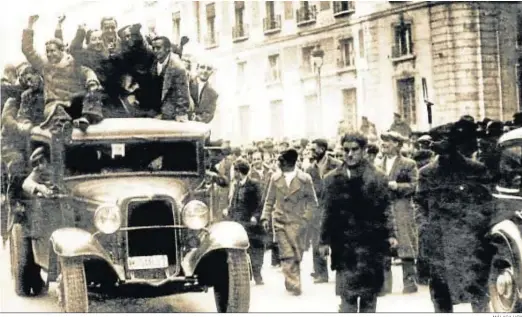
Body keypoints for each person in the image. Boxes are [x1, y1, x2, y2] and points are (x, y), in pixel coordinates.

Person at [415, 119, 494, 313]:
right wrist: (426, 229)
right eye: (433, 139)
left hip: (471, 244)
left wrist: (472, 229)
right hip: (439, 244)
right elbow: (420, 205)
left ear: (453, 141)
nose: (434, 144)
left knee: (477, 294)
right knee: (442, 296)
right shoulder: (427, 173)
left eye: (440, 139)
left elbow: (485, 205)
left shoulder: (475, 169)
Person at [318, 132, 394, 313]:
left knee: (369, 299)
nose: (349, 154)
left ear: (364, 150)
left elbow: (386, 210)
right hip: (344, 248)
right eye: (346, 150)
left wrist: (391, 235)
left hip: (371, 246)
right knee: (347, 299)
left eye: (354, 150)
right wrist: (323, 241)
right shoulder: (331, 179)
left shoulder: (378, 177)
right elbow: (327, 212)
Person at [22, 15, 103, 131]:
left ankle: (86, 118)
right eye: (47, 52)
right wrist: (29, 25)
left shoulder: (72, 63)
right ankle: (64, 125)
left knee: (93, 94)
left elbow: (86, 71)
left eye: (53, 51)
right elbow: (27, 49)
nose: (50, 54)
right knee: (58, 112)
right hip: (55, 104)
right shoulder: (44, 66)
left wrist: (92, 81)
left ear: (61, 51)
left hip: (74, 103)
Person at [261, 149, 318, 296]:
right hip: (280, 222)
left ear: (288, 162)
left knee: (297, 254)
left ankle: (291, 280)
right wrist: (265, 217)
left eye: (281, 161)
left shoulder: (305, 179)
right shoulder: (275, 178)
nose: (278, 163)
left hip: (298, 223)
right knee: (287, 254)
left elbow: (312, 202)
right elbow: (269, 201)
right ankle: (295, 283)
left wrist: (306, 218)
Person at [378, 131, 419, 294]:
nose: (384, 144)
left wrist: (398, 186)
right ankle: (384, 285)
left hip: (402, 207)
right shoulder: (377, 163)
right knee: (383, 245)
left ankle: (410, 283)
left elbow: (415, 186)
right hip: (383, 207)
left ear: (397, 144)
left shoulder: (408, 163)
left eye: (388, 141)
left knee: (405, 244)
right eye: (383, 141)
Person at [306, 139, 342, 284]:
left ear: (322, 149)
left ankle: (341, 271)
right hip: (317, 209)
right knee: (317, 241)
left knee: (338, 241)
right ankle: (321, 273)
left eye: (314, 149)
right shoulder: (309, 170)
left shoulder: (337, 165)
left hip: (336, 209)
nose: (312, 152)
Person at [226, 158, 265, 285]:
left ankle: (257, 275)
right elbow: (234, 203)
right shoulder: (237, 185)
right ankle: (245, 276)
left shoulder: (254, 184)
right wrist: (228, 211)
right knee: (240, 250)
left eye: (234, 170)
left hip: (251, 224)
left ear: (238, 171)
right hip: (239, 223)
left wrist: (255, 216)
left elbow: (260, 203)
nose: (233, 173)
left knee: (255, 249)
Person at [149, 36, 190, 121]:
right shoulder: (153, 62)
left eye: (158, 48)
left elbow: (182, 93)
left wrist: (181, 113)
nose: (155, 51)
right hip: (155, 111)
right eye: (153, 48)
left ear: (168, 49)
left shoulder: (177, 67)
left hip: (171, 113)